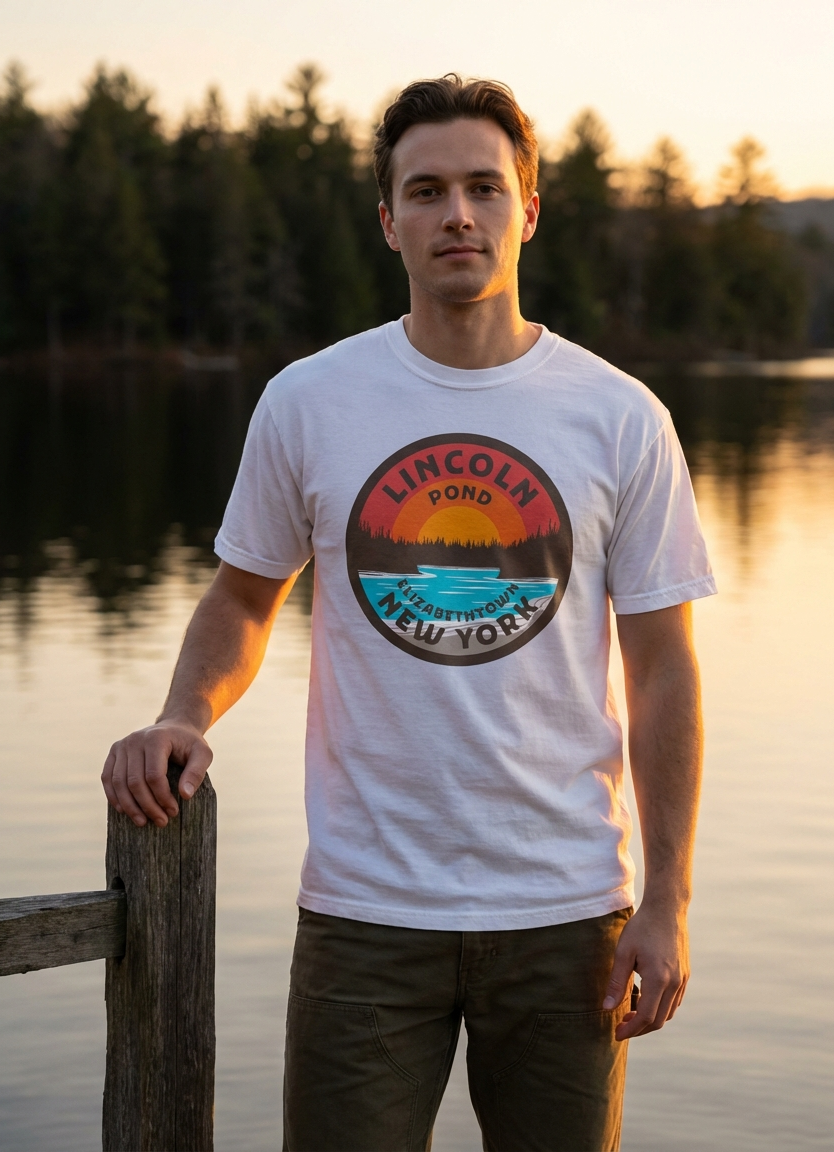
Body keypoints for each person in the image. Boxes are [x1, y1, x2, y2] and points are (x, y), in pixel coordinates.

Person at [101, 75, 716, 1152]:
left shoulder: (620, 418)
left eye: (485, 187)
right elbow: (246, 597)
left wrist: (666, 899)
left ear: (529, 209)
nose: (458, 215)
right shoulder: (311, 400)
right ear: (389, 222)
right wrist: (183, 714)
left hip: (566, 911)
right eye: (425, 191)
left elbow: (662, 670)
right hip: (364, 914)